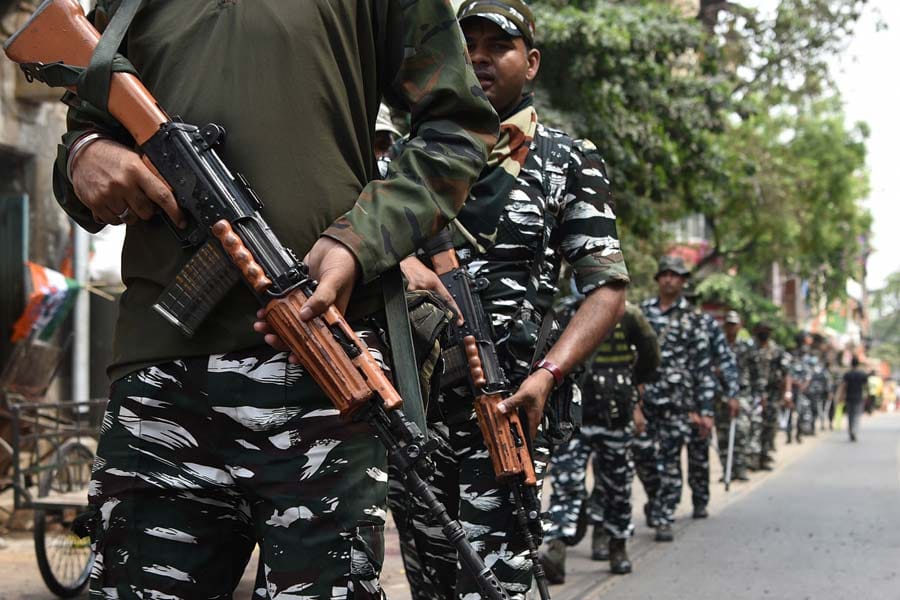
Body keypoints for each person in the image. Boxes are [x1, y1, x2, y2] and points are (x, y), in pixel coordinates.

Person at [56, 1, 498, 597]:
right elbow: (84, 124)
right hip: (160, 377)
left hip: (324, 367)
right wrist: (85, 154)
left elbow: (458, 127)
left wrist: (360, 241)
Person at [388, 2, 629, 597]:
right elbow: (358, 244)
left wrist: (548, 375)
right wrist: (401, 261)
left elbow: (606, 288)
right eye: (467, 44)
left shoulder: (567, 159)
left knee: (497, 583)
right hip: (413, 411)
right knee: (430, 585)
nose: (478, 58)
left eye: (498, 46)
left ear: (532, 62)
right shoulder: (411, 156)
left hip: (507, 410)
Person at [541, 301, 659, 581]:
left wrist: (627, 383)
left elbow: (650, 356)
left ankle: (617, 545)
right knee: (566, 482)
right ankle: (557, 549)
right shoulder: (566, 312)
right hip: (573, 415)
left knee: (617, 484)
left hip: (614, 416)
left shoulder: (628, 314)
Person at [635, 256, 714, 542]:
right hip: (645, 400)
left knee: (669, 460)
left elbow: (702, 366)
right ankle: (656, 499)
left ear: (683, 281)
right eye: (665, 274)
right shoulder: (641, 313)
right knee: (642, 455)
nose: (669, 279)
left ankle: (664, 515)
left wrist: (705, 410)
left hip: (678, 404)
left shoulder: (693, 319)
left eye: (675, 275)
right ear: (658, 279)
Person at [688, 309, 739, 518]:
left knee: (699, 452)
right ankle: (661, 507)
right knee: (663, 457)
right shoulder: (652, 315)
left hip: (704, 400)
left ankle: (700, 501)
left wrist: (732, 394)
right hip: (668, 401)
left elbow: (727, 364)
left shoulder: (706, 325)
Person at [719, 311, 763, 482]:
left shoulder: (747, 347)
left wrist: (759, 394)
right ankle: (727, 470)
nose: (731, 328)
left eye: (734, 324)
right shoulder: (718, 345)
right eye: (728, 324)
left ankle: (741, 467)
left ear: (740, 326)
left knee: (742, 431)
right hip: (721, 394)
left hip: (743, 393)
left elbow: (756, 372)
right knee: (723, 433)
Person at [750, 320, 792, 470]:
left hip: (772, 394)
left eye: (767, 330)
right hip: (752, 393)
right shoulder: (749, 349)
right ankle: (752, 458)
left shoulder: (777, 351)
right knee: (752, 425)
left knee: (769, 426)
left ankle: (764, 456)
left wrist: (787, 393)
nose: (765, 333)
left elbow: (786, 373)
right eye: (762, 330)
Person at [838, 357, 869, 441]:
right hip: (858, 397)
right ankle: (854, 430)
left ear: (851, 364)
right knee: (857, 415)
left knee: (850, 415)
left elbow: (843, 386)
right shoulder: (862, 374)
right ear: (858, 364)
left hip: (849, 397)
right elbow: (866, 386)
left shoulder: (847, 374)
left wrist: (840, 396)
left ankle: (851, 430)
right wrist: (866, 396)